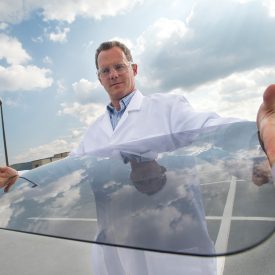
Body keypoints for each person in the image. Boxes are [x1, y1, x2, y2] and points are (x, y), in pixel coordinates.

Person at [0, 40, 275, 274]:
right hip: (120, 253)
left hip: (174, 245)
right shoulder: (94, 132)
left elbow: (211, 128)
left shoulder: (167, 107)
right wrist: (22, 178)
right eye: (105, 70)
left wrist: (258, 136)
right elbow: (65, 172)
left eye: (119, 66)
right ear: (99, 79)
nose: (113, 74)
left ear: (133, 69)